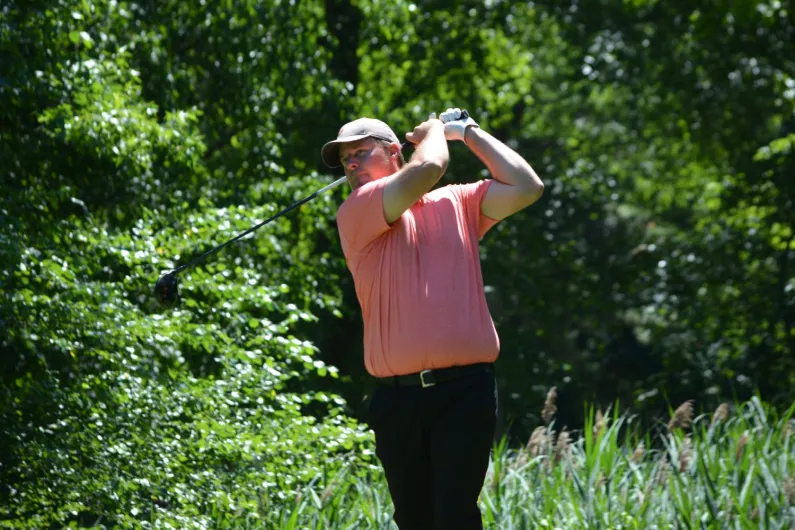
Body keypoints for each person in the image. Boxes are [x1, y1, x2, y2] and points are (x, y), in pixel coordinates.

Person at [320, 108, 544, 530]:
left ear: (392, 152)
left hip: (465, 393)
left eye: (360, 153)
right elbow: (433, 165)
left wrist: (469, 133)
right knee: (415, 520)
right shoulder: (358, 209)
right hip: (397, 400)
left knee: (454, 514)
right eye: (345, 159)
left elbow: (526, 186)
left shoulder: (457, 202)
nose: (351, 164)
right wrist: (438, 132)